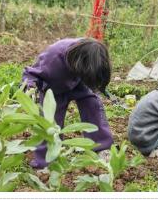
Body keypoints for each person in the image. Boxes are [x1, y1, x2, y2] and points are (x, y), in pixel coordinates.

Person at [22, 37, 113, 168]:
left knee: (93, 105)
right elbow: (31, 73)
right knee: (49, 124)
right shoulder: (53, 58)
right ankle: (44, 163)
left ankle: (102, 148)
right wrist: (30, 87)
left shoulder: (93, 53)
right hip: (54, 90)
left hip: (79, 82)